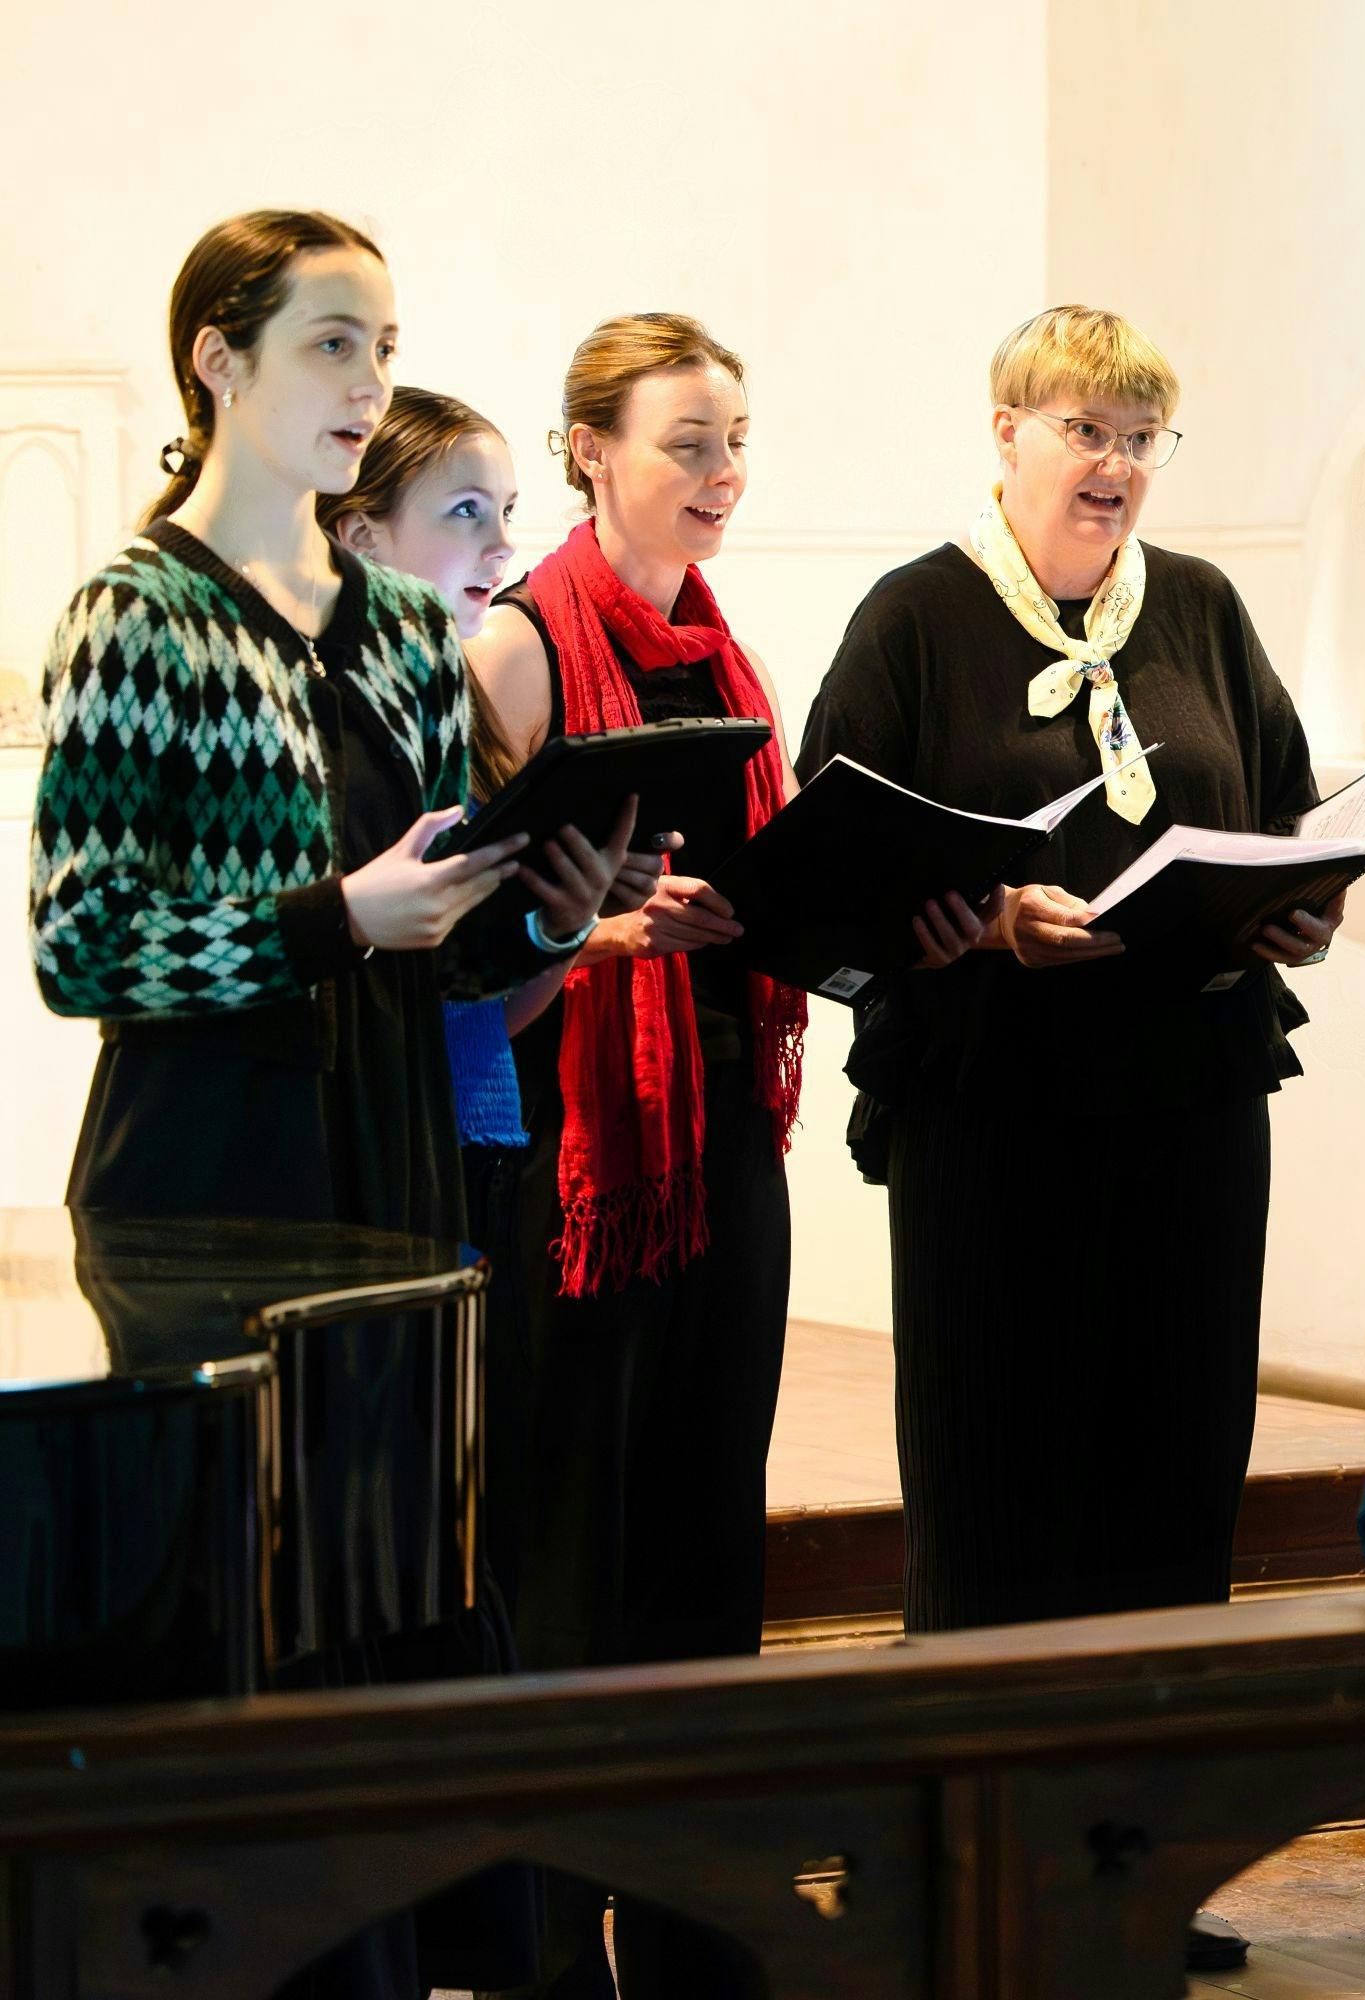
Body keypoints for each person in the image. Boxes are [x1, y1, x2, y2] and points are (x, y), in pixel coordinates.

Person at [27, 209, 629, 2000]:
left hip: (383, 1152)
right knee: (236, 1627)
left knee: (381, 1603)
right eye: (330, 345)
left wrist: (547, 904)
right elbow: (83, 942)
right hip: (206, 1176)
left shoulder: (388, 623)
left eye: (383, 346)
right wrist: (328, 916)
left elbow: (429, 937)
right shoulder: (136, 616)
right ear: (218, 360)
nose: (370, 383)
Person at [797, 304, 1332, 1975]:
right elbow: (829, 866)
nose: (1113, 464)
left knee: (1172, 1482)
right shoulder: (918, 618)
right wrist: (976, 922)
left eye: (1139, 435)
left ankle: (1139, 1872)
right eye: (1083, 429)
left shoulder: (1208, 610)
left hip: (1184, 1115)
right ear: (1008, 432)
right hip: (996, 1121)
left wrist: (1290, 909)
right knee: (999, 1483)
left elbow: (1287, 808)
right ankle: (982, 1867)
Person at [467, 313, 803, 1999]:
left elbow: (777, 882)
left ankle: (695, 1933)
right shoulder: (522, 650)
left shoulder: (730, 654)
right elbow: (467, 944)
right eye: (687, 441)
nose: (723, 474)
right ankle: (550, 1945)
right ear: (590, 449)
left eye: (736, 439)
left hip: (727, 1137)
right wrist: (596, 937)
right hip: (576, 1159)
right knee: (570, 1553)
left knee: (703, 1548)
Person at [318, 384, 666, 1628]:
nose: (502, 550)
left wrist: (568, 917)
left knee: (477, 1505)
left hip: (473, 1145)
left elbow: (487, 1004)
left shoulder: (456, 713)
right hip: (348, 1148)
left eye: (508, 514)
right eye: (467, 514)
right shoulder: (335, 708)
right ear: (359, 536)